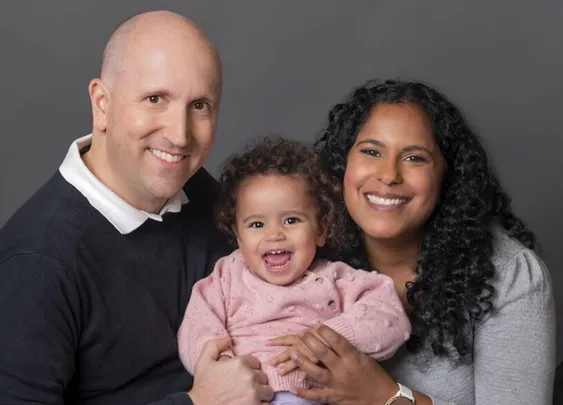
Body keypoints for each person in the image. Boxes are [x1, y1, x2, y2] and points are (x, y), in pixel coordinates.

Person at [0, 10, 274, 405]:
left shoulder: (194, 189)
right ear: (102, 104)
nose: (179, 136)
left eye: (199, 106)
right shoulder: (37, 261)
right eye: (155, 99)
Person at [267, 79, 556, 405]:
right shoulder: (307, 247)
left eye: (415, 158)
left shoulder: (508, 274)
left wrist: (385, 396)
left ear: (446, 177)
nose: (389, 175)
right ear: (342, 164)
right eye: (371, 151)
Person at [177, 137, 411, 405]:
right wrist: (222, 365)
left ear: (321, 230)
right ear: (237, 236)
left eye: (291, 220)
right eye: (256, 225)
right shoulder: (226, 277)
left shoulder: (336, 278)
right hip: (243, 394)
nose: (274, 235)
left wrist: (331, 337)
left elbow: (390, 318)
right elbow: (197, 326)